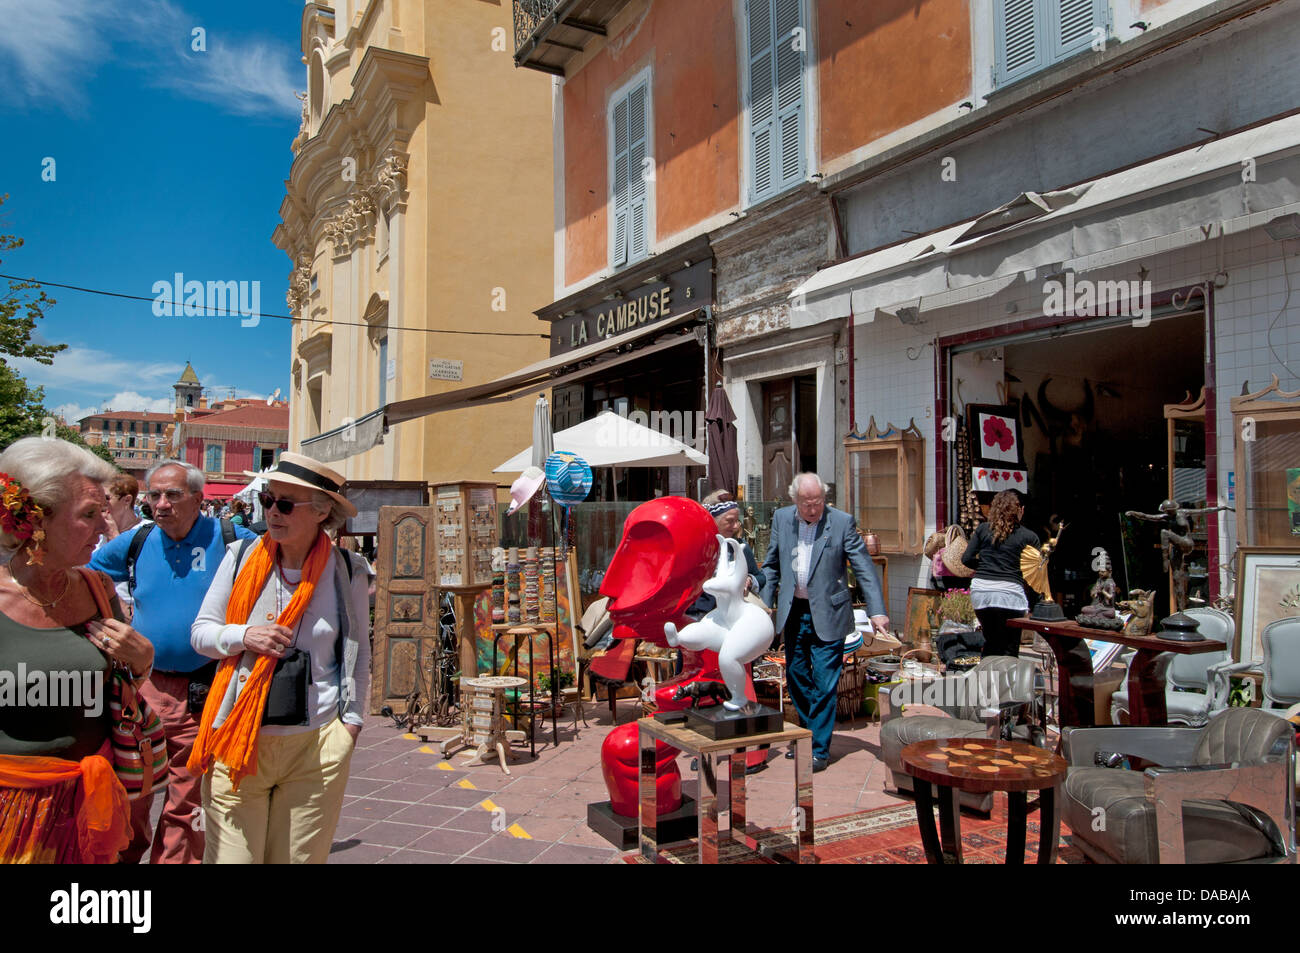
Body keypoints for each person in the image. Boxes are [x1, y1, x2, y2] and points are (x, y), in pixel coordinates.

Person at [189, 453, 369, 864]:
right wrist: (244, 635)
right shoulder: (240, 558)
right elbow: (201, 633)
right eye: (268, 500)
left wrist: (351, 724)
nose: (272, 511)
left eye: (286, 504)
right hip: (237, 738)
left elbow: (358, 655)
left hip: (316, 743)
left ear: (321, 512)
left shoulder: (347, 570)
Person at [89, 460, 256, 863]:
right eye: (154, 495)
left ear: (199, 499)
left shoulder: (236, 540)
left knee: (188, 799)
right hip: (141, 686)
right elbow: (85, 574)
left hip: (207, 687)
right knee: (131, 790)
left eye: (173, 495)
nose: (161, 504)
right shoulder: (138, 540)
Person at [0, 437, 154, 863]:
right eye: (89, 514)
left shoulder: (98, 589)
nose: (107, 529)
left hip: (89, 812)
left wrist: (142, 663)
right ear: (36, 519)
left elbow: (120, 683)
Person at [761, 473, 888, 770]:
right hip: (793, 612)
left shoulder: (841, 522)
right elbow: (770, 565)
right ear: (795, 500)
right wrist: (763, 605)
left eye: (817, 501)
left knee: (825, 680)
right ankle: (807, 736)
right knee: (795, 676)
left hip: (830, 613)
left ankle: (818, 748)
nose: (813, 508)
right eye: (806, 502)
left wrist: (876, 610)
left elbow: (864, 568)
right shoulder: (781, 519)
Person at [961, 490, 1040, 658]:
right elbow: (1035, 571)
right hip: (1010, 594)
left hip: (982, 592)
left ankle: (985, 681)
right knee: (1009, 646)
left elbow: (966, 558)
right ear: (1019, 510)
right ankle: (1007, 682)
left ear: (993, 509)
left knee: (991, 640)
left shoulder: (983, 529)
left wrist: (983, 567)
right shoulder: (1029, 536)